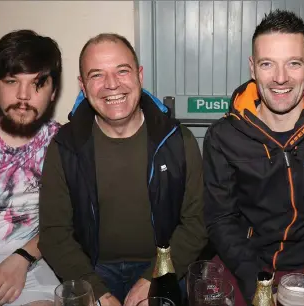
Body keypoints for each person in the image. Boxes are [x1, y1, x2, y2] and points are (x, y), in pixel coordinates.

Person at [38, 33, 207, 306]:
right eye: (96, 75)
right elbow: (54, 234)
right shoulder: (65, 147)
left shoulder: (178, 141)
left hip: (164, 266)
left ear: (139, 75)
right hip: (91, 270)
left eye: (122, 71)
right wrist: (97, 292)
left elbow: (196, 224)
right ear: (83, 85)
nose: (112, 84)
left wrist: (155, 277)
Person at [202, 9, 304, 303]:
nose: (280, 78)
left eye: (293, 63)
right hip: (251, 265)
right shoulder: (223, 136)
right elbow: (220, 218)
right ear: (252, 67)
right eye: (267, 64)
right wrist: (256, 285)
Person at [0, 30, 62, 306]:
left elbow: (67, 222)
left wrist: (24, 258)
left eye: (37, 84)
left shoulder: (63, 144)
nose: (23, 95)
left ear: (53, 92)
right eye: (11, 81)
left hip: (28, 260)